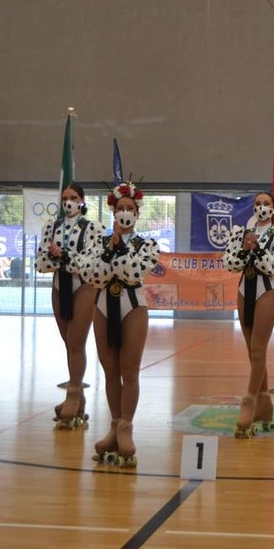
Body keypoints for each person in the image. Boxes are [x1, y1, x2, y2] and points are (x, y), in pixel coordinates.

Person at [77, 181, 160, 468]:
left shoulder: (146, 244)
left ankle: (127, 427)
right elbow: (92, 275)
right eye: (121, 208)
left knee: (130, 371)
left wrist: (117, 252)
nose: (125, 212)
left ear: (138, 213)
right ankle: (114, 425)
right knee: (110, 370)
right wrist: (109, 252)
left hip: (133, 306)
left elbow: (133, 273)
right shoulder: (97, 242)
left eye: (130, 208)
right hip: (102, 305)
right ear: (113, 211)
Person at [222, 191, 274, 437]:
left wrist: (257, 250)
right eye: (258, 203)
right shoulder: (241, 233)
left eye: (266, 204)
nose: (262, 207)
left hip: (267, 290)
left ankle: (250, 399)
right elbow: (229, 262)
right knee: (252, 350)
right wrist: (244, 250)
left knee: (259, 348)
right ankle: (265, 403)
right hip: (244, 288)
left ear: (273, 208)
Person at [35, 182, 99, 429]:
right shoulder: (51, 227)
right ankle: (78, 395)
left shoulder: (92, 227)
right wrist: (54, 257)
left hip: (83, 284)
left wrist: (65, 256)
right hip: (58, 283)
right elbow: (40, 262)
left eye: (73, 197)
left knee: (76, 340)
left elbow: (90, 261)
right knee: (67, 340)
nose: (68, 202)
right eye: (65, 198)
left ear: (82, 200)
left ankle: (73, 393)